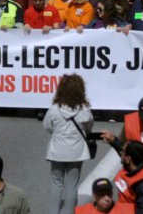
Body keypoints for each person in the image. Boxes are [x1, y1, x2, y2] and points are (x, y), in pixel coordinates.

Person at [43, 74, 94, 214]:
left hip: (57, 151)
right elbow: (89, 127)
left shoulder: (54, 108)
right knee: (72, 185)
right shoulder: (84, 110)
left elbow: (47, 126)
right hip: (77, 152)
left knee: (56, 183)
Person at [111, 140, 143, 214]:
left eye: (122, 152)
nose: (120, 153)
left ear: (128, 159)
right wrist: (113, 141)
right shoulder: (133, 164)